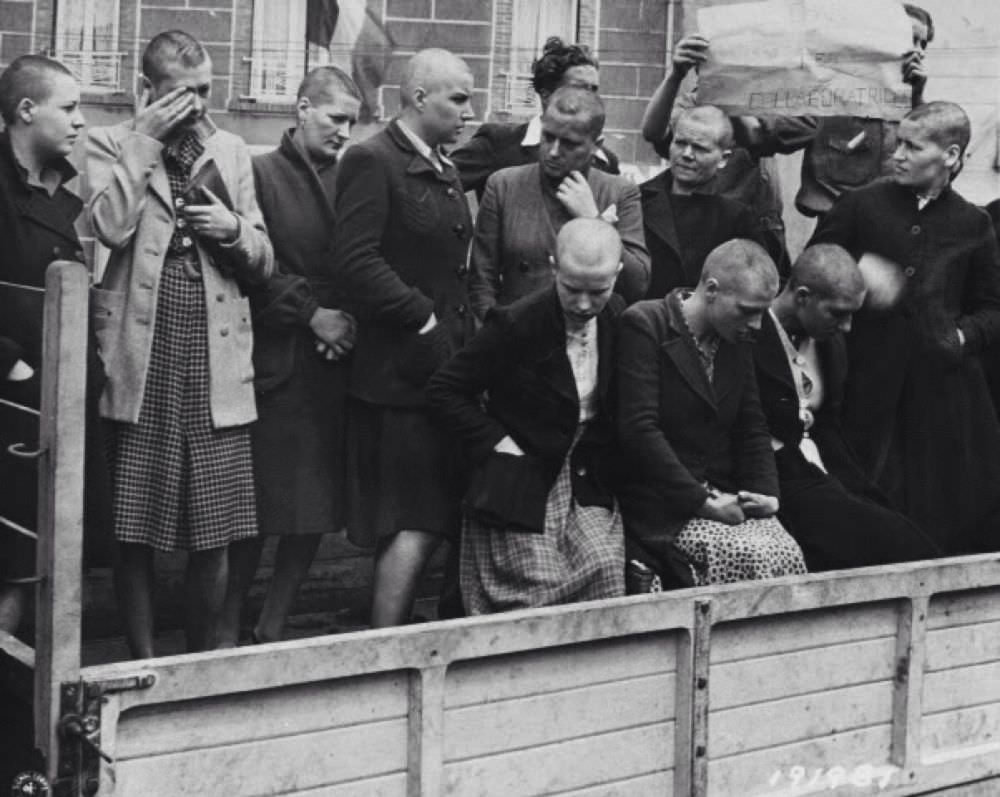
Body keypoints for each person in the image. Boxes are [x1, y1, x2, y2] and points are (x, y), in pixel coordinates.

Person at [87, 30, 274, 657]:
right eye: (181, 94)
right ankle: (142, 661)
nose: (196, 106)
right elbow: (104, 230)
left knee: (216, 529)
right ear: (147, 90)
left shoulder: (231, 148)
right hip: (142, 357)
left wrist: (235, 230)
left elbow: (265, 262)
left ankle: (193, 660)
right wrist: (142, 141)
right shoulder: (108, 143)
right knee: (133, 529)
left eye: (205, 92)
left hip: (217, 355)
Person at [810, 100, 1000, 555]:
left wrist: (959, 338)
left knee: (942, 517)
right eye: (898, 144)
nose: (897, 155)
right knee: (862, 506)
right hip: (862, 385)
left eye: (913, 148)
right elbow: (810, 272)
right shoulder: (860, 205)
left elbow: (992, 309)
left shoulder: (973, 224)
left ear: (950, 156)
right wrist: (852, 274)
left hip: (942, 403)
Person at [333, 48, 474, 628]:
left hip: (437, 374)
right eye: (459, 98)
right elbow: (355, 260)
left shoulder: (443, 166)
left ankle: (389, 646)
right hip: (399, 380)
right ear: (420, 98)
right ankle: (384, 651)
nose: (470, 111)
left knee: (427, 518)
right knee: (414, 520)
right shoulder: (372, 160)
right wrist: (422, 317)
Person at [220, 67, 361, 645]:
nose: (344, 132)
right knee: (259, 505)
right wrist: (310, 314)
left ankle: (274, 623)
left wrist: (343, 321)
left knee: (314, 508)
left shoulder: (354, 176)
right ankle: (225, 623)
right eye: (334, 118)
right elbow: (250, 265)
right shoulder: (259, 173)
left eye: (352, 121)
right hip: (280, 360)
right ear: (302, 109)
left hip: (338, 360)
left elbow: (363, 257)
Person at [428, 218, 625, 612]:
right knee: (538, 583)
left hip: (584, 474)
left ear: (617, 276)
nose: (584, 304)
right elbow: (444, 389)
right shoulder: (517, 323)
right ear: (553, 267)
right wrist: (498, 443)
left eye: (598, 291)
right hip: (523, 476)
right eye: (571, 288)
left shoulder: (617, 315)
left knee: (605, 567)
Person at [617, 239, 807, 586]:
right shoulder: (646, 324)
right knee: (751, 555)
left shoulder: (734, 337)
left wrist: (767, 495)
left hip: (723, 496)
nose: (757, 325)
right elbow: (639, 431)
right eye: (748, 310)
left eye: (762, 312)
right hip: (662, 504)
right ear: (711, 290)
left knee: (786, 550)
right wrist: (702, 502)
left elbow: (752, 423)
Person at [755, 244, 941, 570]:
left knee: (910, 536)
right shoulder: (752, 337)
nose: (847, 327)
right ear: (802, 297)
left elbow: (829, 426)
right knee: (900, 547)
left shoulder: (828, 344)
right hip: (782, 481)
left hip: (829, 471)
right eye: (838, 313)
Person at [0, 55, 92, 633]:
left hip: (55, 408)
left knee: (38, 563)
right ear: (27, 111)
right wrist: (12, 368)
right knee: (12, 562)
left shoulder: (63, 189)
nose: (81, 122)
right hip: (13, 404)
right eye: (70, 107)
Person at [730, 4, 934, 219]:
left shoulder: (921, 110)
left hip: (899, 233)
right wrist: (723, 90)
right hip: (839, 235)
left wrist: (914, 100)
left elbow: (940, 165)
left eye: (923, 44)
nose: (919, 51)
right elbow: (759, 134)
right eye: (910, 39)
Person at [468, 87, 649, 320]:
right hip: (517, 336)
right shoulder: (504, 185)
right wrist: (494, 335)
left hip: (590, 335)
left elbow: (637, 285)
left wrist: (594, 221)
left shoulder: (620, 192)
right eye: (548, 137)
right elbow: (482, 282)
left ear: (596, 144)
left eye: (569, 144)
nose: (553, 152)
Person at [641, 37, 789, 272]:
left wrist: (726, 95)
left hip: (753, 224)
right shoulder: (690, 104)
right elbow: (652, 132)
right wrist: (675, 74)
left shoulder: (761, 101)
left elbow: (758, 135)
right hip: (698, 222)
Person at [452, 36, 619, 199]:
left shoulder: (605, 161)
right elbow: (438, 186)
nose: (588, 98)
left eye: (593, 89)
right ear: (546, 94)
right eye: (577, 88)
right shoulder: (499, 143)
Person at [640, 105, 763, 298]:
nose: (687, 154)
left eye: (700, 148)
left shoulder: (736, 217)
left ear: (723, 158)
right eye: (680, 143)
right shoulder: (638, 199)